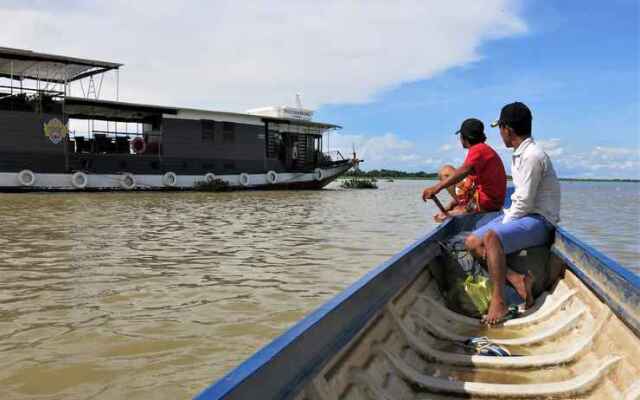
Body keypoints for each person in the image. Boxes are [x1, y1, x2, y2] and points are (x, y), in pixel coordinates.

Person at [464, 102, 561, 325]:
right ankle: (517, 280)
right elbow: (519, 202)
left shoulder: (532, 156)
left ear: (507, 129)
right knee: (471, 241)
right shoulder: (520, 153)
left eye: (500, 129)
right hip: (524, 215)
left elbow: (525, 203)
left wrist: (499, 228)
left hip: (540, 220)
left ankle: (499, 302)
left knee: (491, 237)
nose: (500, 134)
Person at [422, 118, 507, 221]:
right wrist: (451, 205)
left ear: (464, 137)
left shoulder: (478, 149)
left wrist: (436, 188)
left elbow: (463, 171)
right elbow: (470, 183)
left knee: (446, 172)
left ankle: (462, 210)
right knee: (447, 170)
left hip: (487, 202)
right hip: (489, 199)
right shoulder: (481, 149)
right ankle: (460, 206)